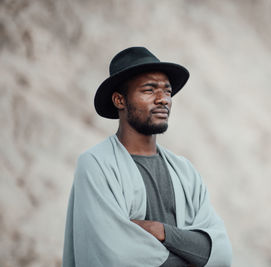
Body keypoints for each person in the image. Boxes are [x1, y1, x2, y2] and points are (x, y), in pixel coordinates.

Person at [62, 47, 232, 267]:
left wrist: (162, 232)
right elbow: (117, 258)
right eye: (149, 90)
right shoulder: (96, 165)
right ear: (119, 100)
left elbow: (221, 253)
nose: (163, 99)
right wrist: (190, 252)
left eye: (168, 91)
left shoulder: (185, 171)